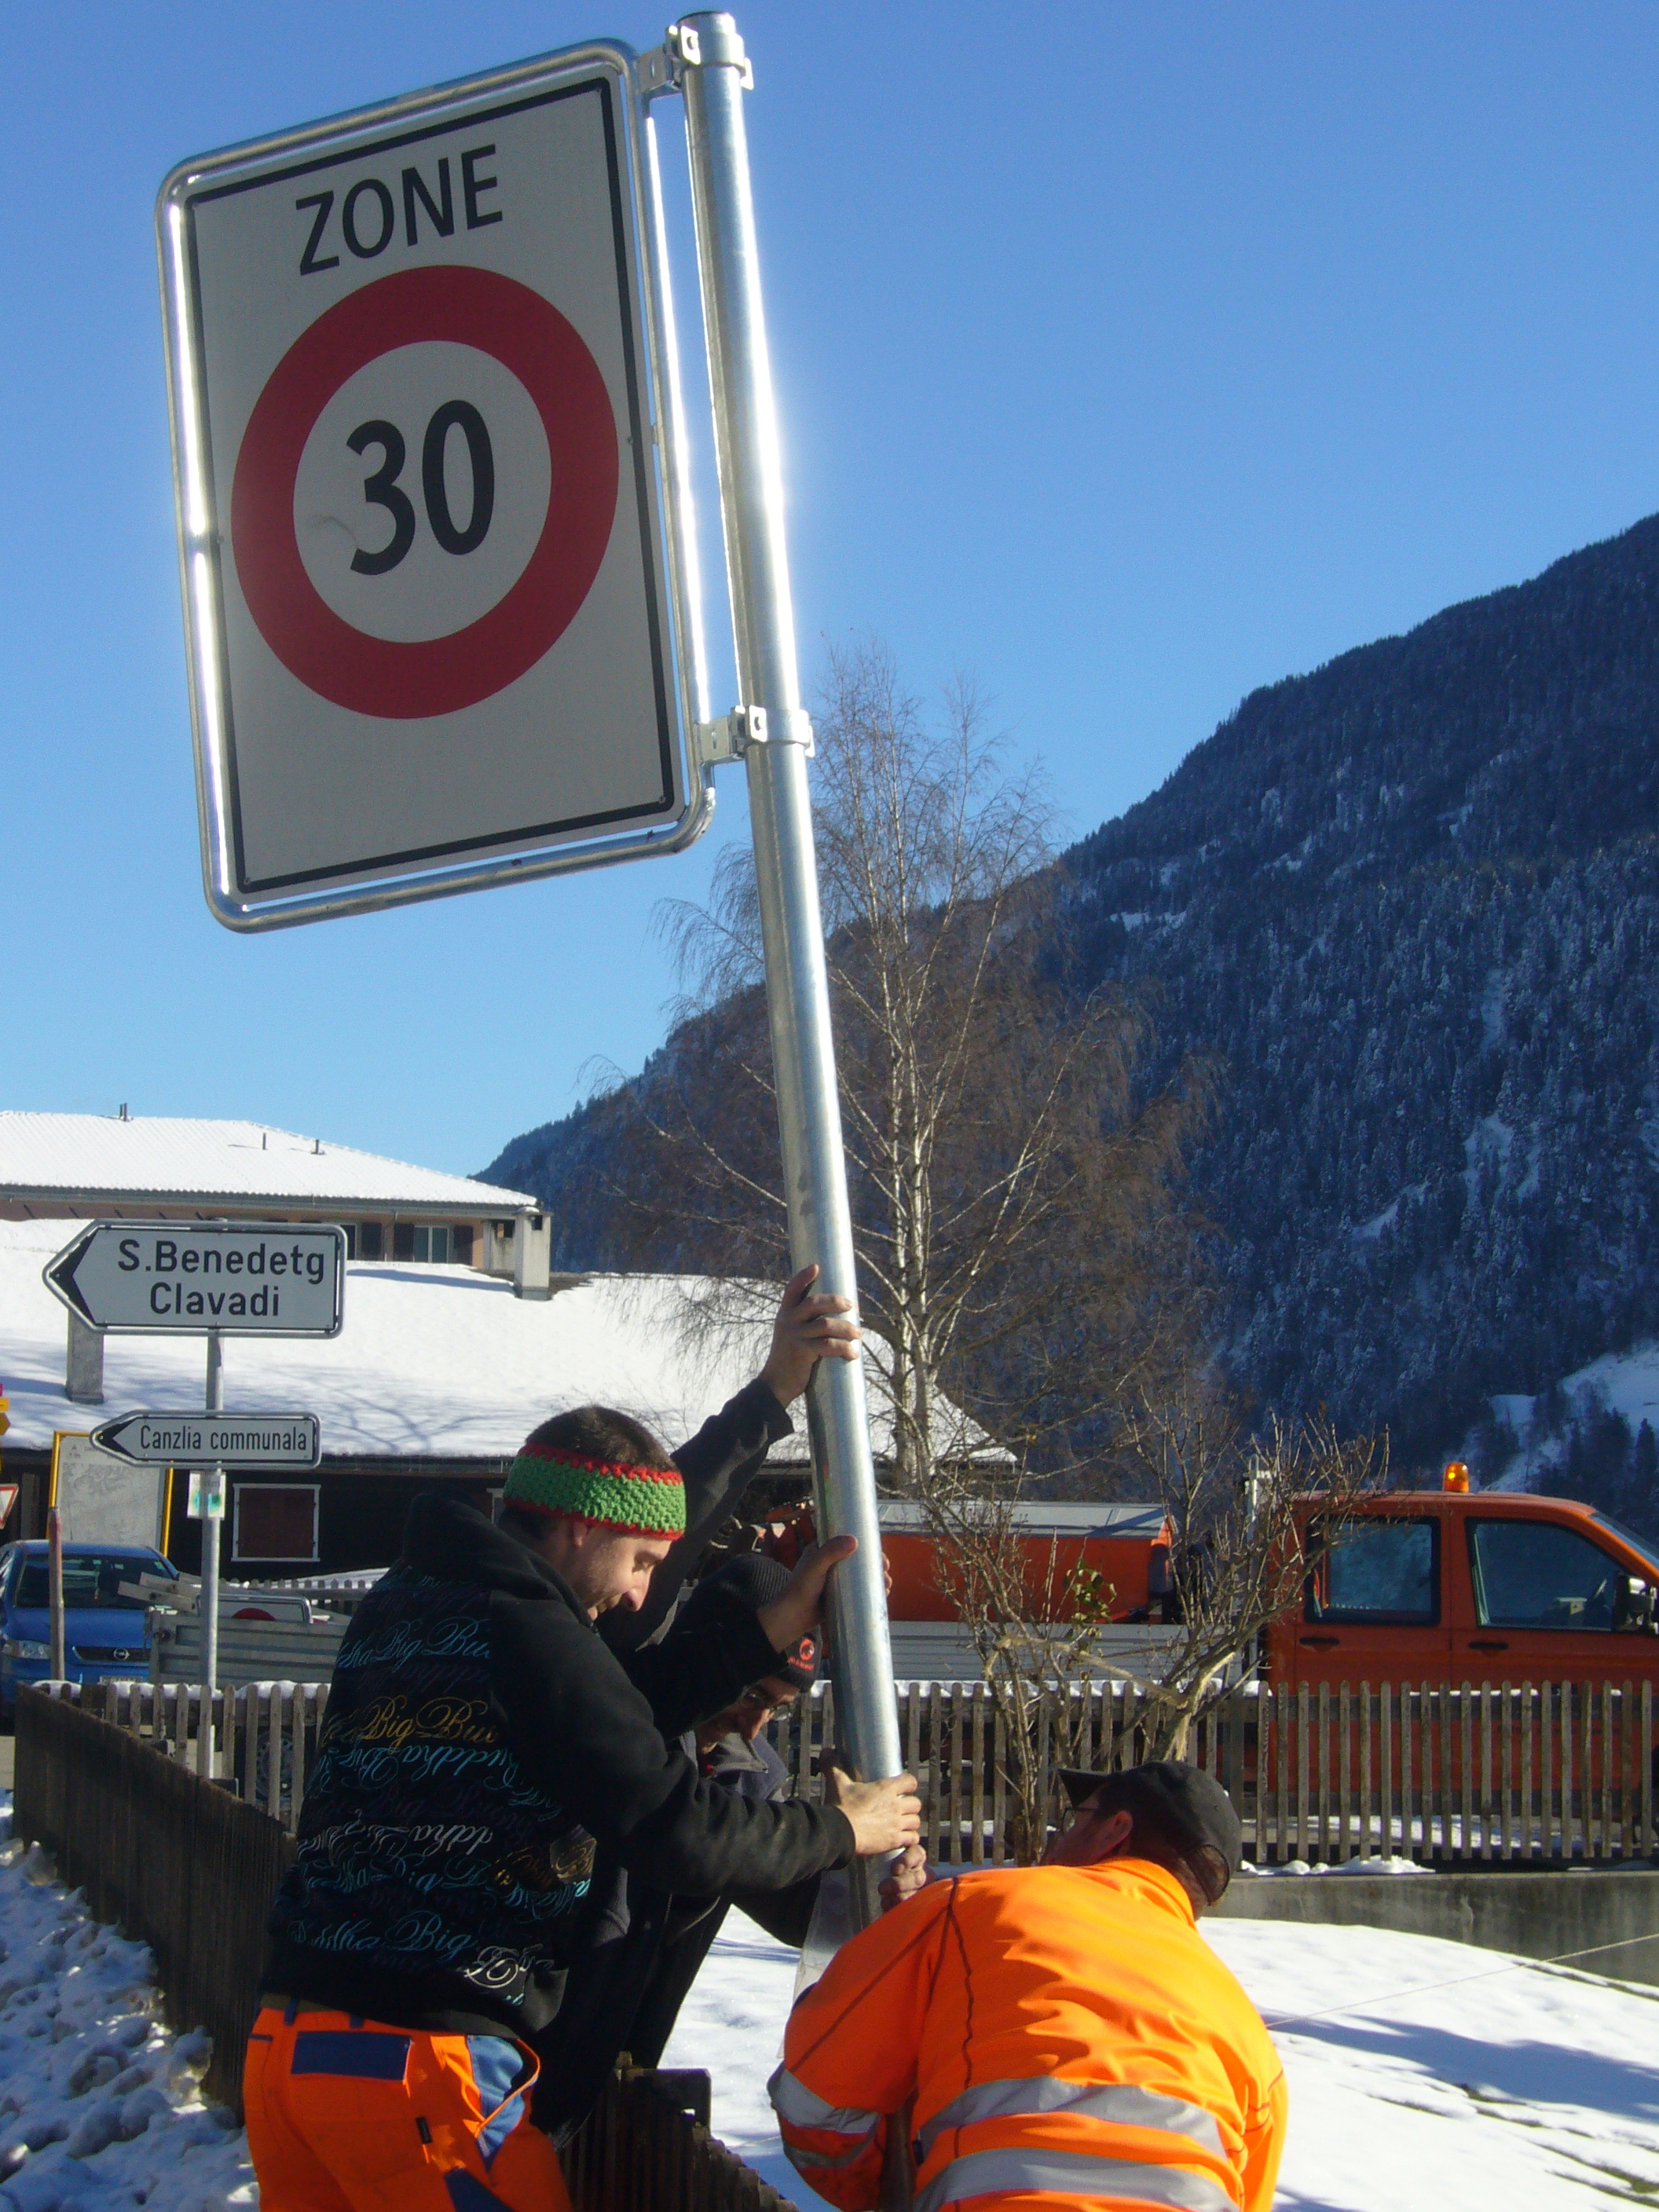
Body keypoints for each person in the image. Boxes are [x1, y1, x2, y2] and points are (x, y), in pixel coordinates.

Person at [243, 1273, 921, 2212]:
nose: (644, 1593)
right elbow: (672, 1821)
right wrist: (840, 1827)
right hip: (418, 2073)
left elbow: (607, 1706)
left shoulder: (418, 1597)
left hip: (292, 2044)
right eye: (641, 1561)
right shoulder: (530, 1630)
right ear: (577, 1524)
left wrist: (771, 1409)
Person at [771, 1760, 1287, 2212]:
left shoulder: (970, 1905)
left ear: (1116, 1830)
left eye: (1075, 1820)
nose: (1056, 1840)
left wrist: (888, 2173)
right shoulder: (1248, 2035)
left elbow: (817, 2102)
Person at [624, 1555, 927, 2071]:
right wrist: (835, 1832)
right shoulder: (622, 1731)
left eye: (777, 1708)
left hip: (620, 2062)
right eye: (750, 1694)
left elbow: (790, 1908)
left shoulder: (745, 1773)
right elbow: (695, 1842)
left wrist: (865, 1884)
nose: (753, 1728)